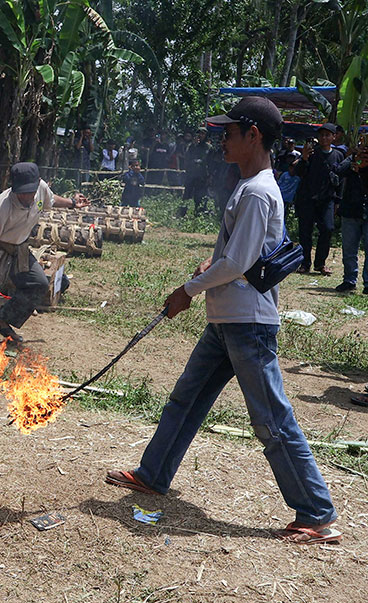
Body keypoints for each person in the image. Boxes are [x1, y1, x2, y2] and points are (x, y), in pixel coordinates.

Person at [104, 97, 340, 546]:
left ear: (254, 135)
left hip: (248, 325)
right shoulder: (249, 186)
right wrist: (209, 269)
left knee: (271, 420)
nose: (223, 140)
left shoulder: (257, 191)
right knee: (186, 399)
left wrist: (188, 290)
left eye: (230, 133)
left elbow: (239, 262)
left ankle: (316, 512)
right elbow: (236, 256)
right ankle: (153, 473)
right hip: (227, 319)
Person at [0, 162, 89, 342]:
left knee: (38, 284)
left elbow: (51, 199)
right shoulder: (1, 208)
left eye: (30, 191)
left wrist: (72, 203)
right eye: (22, 192)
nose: (27, 196)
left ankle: (1, 320)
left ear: (38, 183)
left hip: (18, 246)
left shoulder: (41, 189)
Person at [294, 123, 344, 274]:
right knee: (305, 231)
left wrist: (338, 201)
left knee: (328, 229)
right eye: (321, 135)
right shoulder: (311, 153)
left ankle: (320, 263)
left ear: (334, 137)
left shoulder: (338, 155)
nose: (324, 138)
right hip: (307, 198)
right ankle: (305, 263)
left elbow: (341, 180)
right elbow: (298, 172)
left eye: (327, 135)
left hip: (327, 199)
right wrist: (304, 158)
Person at [334, 141, 368, 293]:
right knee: (349, 249)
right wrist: (355, 157)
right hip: (351, 209)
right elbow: (339, 170)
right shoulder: (354, 158)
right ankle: (349, 280)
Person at [182, 130, 210, 214]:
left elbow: (210, 161)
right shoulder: (192, 146)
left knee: (200, 194)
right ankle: (183, 211)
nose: (200, 135)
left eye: (203, 134)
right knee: (187, 193)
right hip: (191, 174)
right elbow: (187, 157)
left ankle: (199, 211)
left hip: (202, 175)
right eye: (199, 133)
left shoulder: (208, 147)